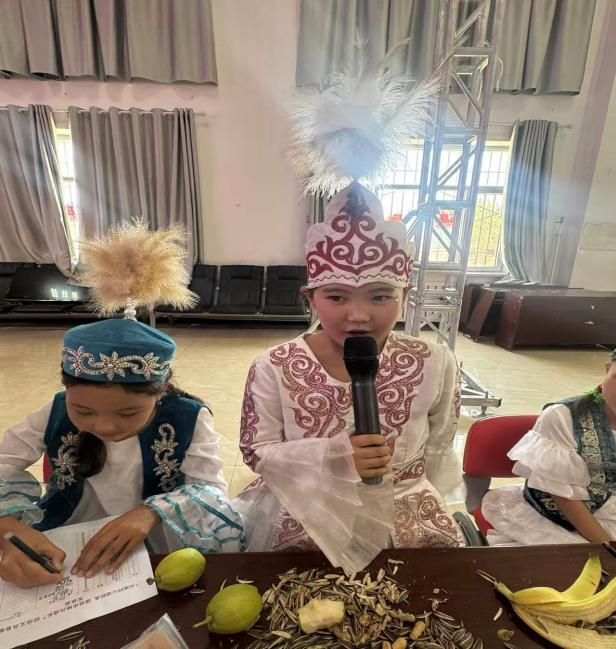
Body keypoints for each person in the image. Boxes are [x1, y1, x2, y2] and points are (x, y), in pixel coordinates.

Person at [235, 182, 465, 574]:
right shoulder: (274, 364)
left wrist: (446, 504)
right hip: (307, 510)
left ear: (405, 296)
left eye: (380, 296)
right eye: (337, 297)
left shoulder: (434, 360)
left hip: (407, 511)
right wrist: (338, 458)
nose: (358, 316)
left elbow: (440, 445)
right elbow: (257, 451)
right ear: (310, 298)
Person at [0, 223, 244, 589]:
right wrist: (8, 529)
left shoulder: (188, 418)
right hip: (68, 534)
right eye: (83, 411)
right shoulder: (55, 410)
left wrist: (150, 512)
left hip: (158, 535)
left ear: (161, 392)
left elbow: (210, 490)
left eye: (128, 413)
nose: (105, 426)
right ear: (67, 391)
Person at [482, 350, 616, 546]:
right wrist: (608, 547)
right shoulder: (561, 417)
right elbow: (565, 500)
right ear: (607, 369)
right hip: (562, 520)